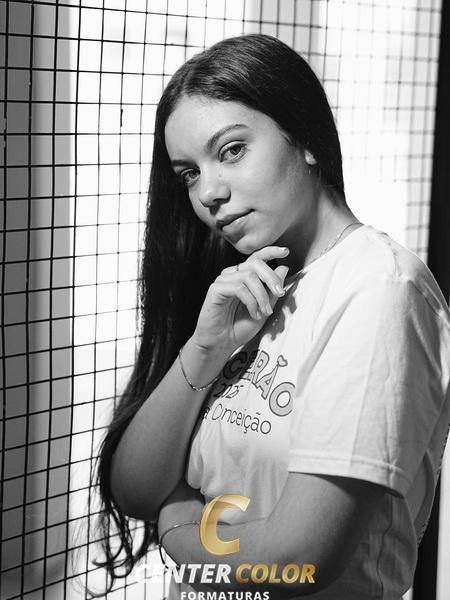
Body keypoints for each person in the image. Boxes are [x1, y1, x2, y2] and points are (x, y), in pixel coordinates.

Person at [90, 34, 450, 599]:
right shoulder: (243, 286)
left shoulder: (380, 288)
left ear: (304, 138)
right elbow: (134, 489)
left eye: (232, 150)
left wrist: (180, 531)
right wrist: (206, 347)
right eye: (188, 173)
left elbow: (298, 558)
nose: (208, 192)